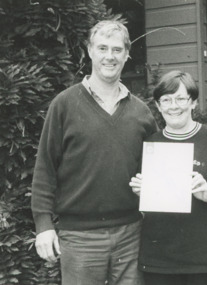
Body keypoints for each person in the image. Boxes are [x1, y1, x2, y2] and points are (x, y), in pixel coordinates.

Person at [31, 20, 157, 285]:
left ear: (127, 54)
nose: (109, 56)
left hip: (131, 234)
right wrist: (43, 226)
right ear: (89, 51)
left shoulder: (141, 112)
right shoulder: (64, 105)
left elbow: (157, 171)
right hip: (79, 237)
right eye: (102, 48)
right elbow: (45, 168)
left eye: (116, 49)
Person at [129, 70, 207, 285]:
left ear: (193, 102)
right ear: (158, 106)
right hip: (161, 258)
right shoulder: (149, 145)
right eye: (166, 100)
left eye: (181, 99)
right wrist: (140, 192)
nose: (174, 106)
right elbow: (142, 201)